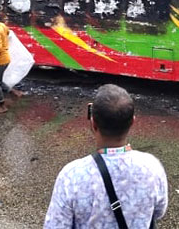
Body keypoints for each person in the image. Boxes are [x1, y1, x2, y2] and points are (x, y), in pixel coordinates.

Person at [44, 84, 168, 229]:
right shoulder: (152, 167)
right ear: (132, 122)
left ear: (93, 124)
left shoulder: (71, 175)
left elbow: (55, 225)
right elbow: (158, 211)